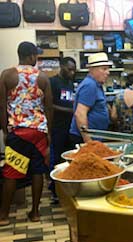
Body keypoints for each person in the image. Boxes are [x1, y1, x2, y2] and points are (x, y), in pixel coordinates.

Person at [0, 41, 53, 225]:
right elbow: (49, 109)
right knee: (37, 171)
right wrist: (49, 133)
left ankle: (4, 216)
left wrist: (5, 131)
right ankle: (35, 213)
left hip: (17, 131)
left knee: (11, 171)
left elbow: (1, 107)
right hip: (38, 132)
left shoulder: (7, 75)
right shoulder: (43, 78)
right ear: (31, 56)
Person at [48, 57, 77, 204]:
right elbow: (48, 104)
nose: (72, 72)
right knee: (56, 160)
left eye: (74, 70)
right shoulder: (53, 82)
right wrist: (69, 110)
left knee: (68, 160)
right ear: (61, 66)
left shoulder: (70, 83)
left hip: (70, 128)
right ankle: (54, 191)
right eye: (69, 69)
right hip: (57, 127)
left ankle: (66, 190)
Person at [69, 52, 112, 145]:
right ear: (92, 70)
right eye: (104, 69)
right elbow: (80, 114)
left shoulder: (96, 84)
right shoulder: (90, 85)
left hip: (95, 137)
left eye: (108, 69)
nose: (108, 72)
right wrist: (88, 141)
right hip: (85, 138)